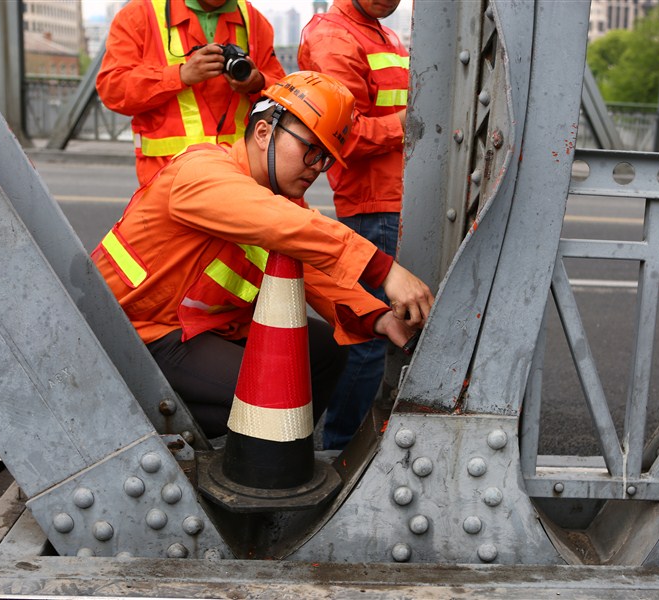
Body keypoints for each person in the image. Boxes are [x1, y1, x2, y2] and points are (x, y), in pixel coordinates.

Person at [91, 71, 434, 440]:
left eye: (325, 159)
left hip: (197, 330)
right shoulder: (202, 172)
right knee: (277, 390)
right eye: (310, 149)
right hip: (139, 334)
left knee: (326, 350)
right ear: (263, 133)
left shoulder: (276, 200)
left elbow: (313, 270)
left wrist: (378, 317)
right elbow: (287, 226)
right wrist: (385, 271)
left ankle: (277, 458)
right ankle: (234, 455)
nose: (317, 167)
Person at [297, 0, 409, 450]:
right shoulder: (333, 36)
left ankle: (350, 443)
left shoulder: (384, 33)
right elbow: (344, 133)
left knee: (386, 330)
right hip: (374, 203)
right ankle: (339, 447)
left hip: (397, 197)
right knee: (369, 336)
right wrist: (408, 125)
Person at [97, 0, 286, 186]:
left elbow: (283, 93)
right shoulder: (139, 14)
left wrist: (258, 83)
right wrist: (179, 75)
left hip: (242, 175)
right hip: (168, 178)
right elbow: (112, 89)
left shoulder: (253, 19)